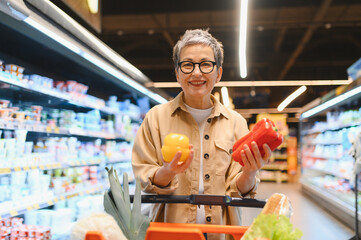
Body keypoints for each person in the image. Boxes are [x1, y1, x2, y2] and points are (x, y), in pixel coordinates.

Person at [132, 29, 271, 240]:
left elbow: (238, 190)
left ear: (219, 73)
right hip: (170, 233)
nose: (196, 73)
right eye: (187, 64)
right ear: (178, 73)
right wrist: (167, 172)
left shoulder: (236, 123)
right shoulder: (155, 118)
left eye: (206, 64)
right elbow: (145, 177)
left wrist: (250, 172)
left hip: (222, 233)